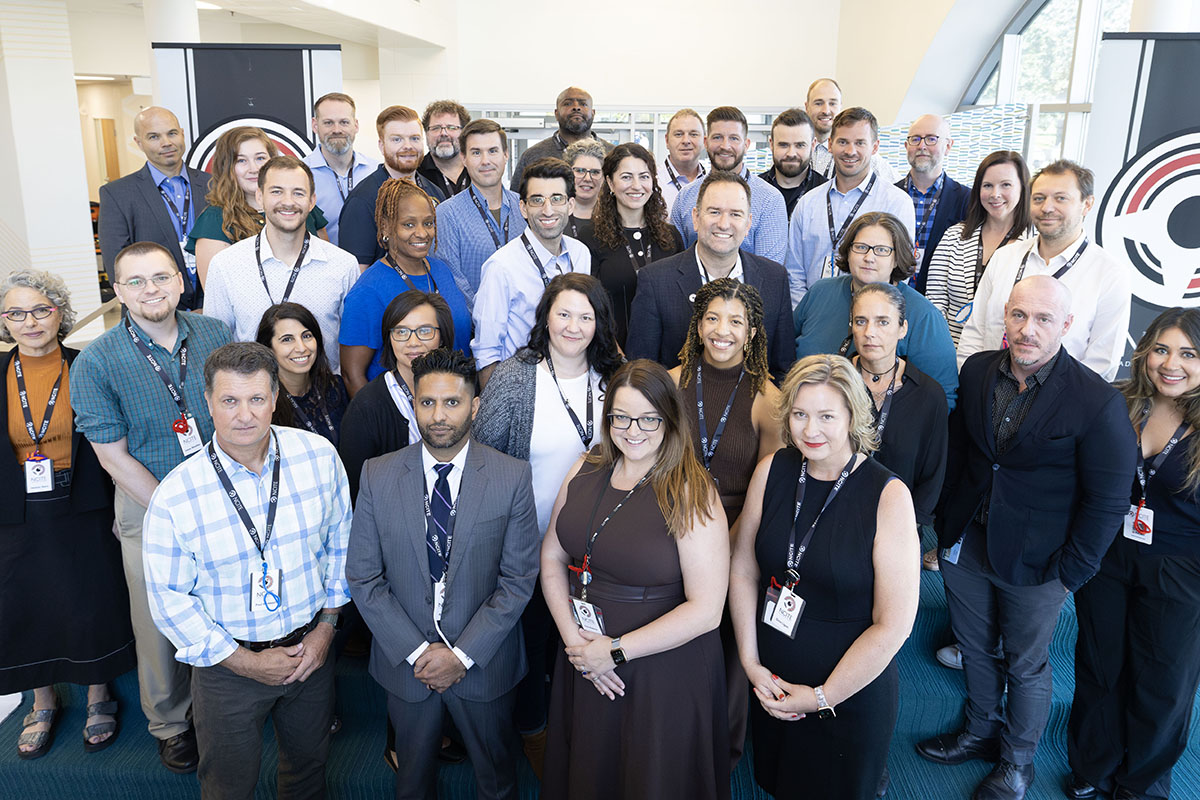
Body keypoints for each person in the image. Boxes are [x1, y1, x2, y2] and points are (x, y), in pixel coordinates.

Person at [917, 276, 1135, 800]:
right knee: (972, 646)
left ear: (1066, 325)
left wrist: (1070, 575)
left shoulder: (1097, 402)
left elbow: (1108, 502)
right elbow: (962, 454)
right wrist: (943, 526)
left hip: (1042, 562)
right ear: (1004, 318)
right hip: (966, 545)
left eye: (1042, 319)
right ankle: (978, 732)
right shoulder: (974, 372)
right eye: (1019, 316)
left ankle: (1016, 764)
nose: (1028, 330)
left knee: (1026, 663)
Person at [143, 342, 352, 799]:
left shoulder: (319, 457)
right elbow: (169, 598)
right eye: (229, 401)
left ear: (275, 398)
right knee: (227, 786)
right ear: (208, 402)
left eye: (256, 399)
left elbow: (342, 543)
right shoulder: (177, 494)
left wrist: (326, 630)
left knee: (308, 773)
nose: (244, 415)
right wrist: (244, 662)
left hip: (309, 653)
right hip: (227, 668)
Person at [347, 347, 540, 800]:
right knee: (412, 783)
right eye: (426, 402)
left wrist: (461, 656)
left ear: (475, 406)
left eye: (452, 403)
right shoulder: (377, 474)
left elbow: (517, 581)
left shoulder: (512, 477)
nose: (438, 415)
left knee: (497, 780)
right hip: (407, 664)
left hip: (484, 662)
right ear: (413, 404)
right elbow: (364, 577)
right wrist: (418, 653)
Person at [71, 241, 233, 773]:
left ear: (181, 281)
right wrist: (175, 510)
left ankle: (230, 704)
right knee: (157, 619)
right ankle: (170, 723)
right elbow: (111, 457)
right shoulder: (96, 362)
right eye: (136, 282)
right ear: (117, 292)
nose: (151, 290)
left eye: (161, 277)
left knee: (225, 602)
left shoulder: (214, 334)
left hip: (224, 492)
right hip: (148, 506)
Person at [729, 354, 919, 800]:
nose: (809, 431)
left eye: (826, 416)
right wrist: (751, 663)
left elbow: (893, 624)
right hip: (772, 683)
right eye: (799, 414)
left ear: (853, 415)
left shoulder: (888, 495)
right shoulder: (772, 469)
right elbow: (742, 568)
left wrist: (821, 697)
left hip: (847, 696)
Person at [540, 359, 731, 800]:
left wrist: (615, 652)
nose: (633, 430)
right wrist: (578, 645)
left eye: (649, 418)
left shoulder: (691, 489)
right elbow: (552, 555)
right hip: (585, 657)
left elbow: (706, 611)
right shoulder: (587, 466)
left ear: (669, 418)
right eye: (621, 417)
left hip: (658, 670)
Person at [473, 273, 623, 776]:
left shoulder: (616, 376)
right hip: (527, 541)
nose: (574, 326)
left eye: (586, 316)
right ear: (545, 318)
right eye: (564, 314)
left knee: (584, 640)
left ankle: (583, 729)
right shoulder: (519, 375)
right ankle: (534, 730)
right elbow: (484, 457)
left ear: (600, 322)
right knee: (535, 639)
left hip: (600, 546)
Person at [1, 270, 135, 759]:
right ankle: (42, 700)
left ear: (59, 313)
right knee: (26, 602)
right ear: (4, 321)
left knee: (89, 597)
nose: (29, 321)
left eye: (41, 309)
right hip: (15, 507)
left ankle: (99, 692)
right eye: (15, 313)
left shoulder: (88, 364)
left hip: (81, 499)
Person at [1067, 308, 1200, 800]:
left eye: (1188, 354)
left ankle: (1141, 784)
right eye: (1162, 349)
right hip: (1108, 556)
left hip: (1182, 570)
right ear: (1145, 351)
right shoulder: (1118, 402)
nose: (1171, 363)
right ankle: (1092, 764)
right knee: (1100, 666)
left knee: (1163, 684)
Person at [667, 278, 783, 768]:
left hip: (740, 533)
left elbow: (769, 488)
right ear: (698, 325)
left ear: (753, 332)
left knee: (730, 648)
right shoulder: (671, 383)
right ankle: (670, 736)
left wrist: (727, 548)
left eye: (736, 322)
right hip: (672, 526)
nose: (722, 331)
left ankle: (721, 752)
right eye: (712, 318)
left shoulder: (768, 398)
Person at [956, 159, 1132, 381]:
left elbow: (1102, 363)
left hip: (1059, 405)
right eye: (1039, 199)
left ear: (1087, 204)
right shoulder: (1004, 258)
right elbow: (975, 334)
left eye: (1060, 198)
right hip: (988, 394)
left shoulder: (1110, 274)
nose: (1047, 208)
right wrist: (972, 385)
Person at [626, 171, 794, 377]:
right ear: (696, 218)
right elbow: (641, 372)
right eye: (714, 212)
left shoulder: (774, 279)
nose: (724, 224)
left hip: (754, 407)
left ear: (748, 224)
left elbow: (782, 369)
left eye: (735, 214)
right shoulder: (655, 281)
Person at [203, 155, 360, 372]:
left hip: (325, 398)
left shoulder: (343, 265)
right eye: (277, 191)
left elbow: (352, 350)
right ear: (260, 197)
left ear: (312, 201)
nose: (288, 201)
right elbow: (216, 348)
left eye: (298, 193)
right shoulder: (226, 265)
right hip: (255, 399)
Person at [793, 212, 958, 409]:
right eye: (861, 247)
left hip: (888, 431)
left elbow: (942, 397)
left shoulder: (924, 315)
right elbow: (783, 356)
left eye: (881, 250)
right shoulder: (820, 292)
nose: (869, 257)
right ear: (848, 251)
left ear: (897, 258)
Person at [339, 178, 472, 396]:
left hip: (454, 401)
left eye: (428, 223)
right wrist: (386, 423)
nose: (422, 233)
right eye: (409, 224)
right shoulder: (368, 291)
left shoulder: (440, 270)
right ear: (385, 226)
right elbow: (352, 375)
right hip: (400, 414)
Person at [472, 158, 592, 385]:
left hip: (574, 380)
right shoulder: (501, 266)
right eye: (537, 200)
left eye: (557, 199)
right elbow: (487, 352)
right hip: (521, 387)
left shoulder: (581, 254)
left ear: (571, 205)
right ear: (523, 208)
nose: (548, 210)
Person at [847, 282, 948, 544]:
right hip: (835, 516)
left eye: (883, 322)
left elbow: (932, 476)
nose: (870, 332)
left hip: (898, 527)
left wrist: (905, 527)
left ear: (902, 328)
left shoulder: (928, 395)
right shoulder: (833, 383)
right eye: (861, 321)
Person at [786, 107, 915, 305]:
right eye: (843, 142)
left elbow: (900, 274)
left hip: (870, 320)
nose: (850, 151)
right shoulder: (807, 203)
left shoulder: (897, 203)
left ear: (874, 147)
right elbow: (794, 274)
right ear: (830, 144)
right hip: (814, 317)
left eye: (860, 143)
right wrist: (806, 315)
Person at [339, 291, 453, 501]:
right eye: (401, 332)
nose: (413, 342)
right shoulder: (366, 406)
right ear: (389, 339)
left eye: (425, 331)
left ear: (442, 335)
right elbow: (355, 490)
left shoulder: (461, 391)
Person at [186, 127, 329, 288]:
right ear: (226, 167)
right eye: (241, 160)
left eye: (260, 158)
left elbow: (327, 266)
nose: (254, 169)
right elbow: (217, 292)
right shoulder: (214, 221)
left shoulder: (298, 208)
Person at [98, 105, 210, 310]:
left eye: (172, 133)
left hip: (213, 308)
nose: (166, 143)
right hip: (153, 311)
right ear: (138, 143)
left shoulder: (215, 185)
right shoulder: (117, 194)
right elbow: (119, 268)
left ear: (182, 134)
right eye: (154, 137)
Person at [576, 142, 684, 347]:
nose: (636, 185)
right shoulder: (590, 237)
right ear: (610, 182)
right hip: (613, 355)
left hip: (667, 357)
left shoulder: (671, 236)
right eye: (626, 177)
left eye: (644, 176)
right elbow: (587, 306)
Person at [925, 151, 1032, 344]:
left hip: (1005, 354)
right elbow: (935, 298)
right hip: (950, 348)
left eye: (1006, 185)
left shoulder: (1034, 243)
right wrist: (942, 347)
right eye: (987, 186)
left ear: (1022, 188)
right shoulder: (954, 236)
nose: (995, 194)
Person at [668, 106, 788, 265]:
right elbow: (675, 266)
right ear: (706, 142)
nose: (725, 146)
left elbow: (767, 274)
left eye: (734, 138)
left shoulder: (769, 200)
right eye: (717, 137)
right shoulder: (685, 197)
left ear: (746, 145)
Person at [339, 105, 448, 270]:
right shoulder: (363, 200)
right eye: (397, 139)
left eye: (414, 138)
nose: (408, 146)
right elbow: (356, 272)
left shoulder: (434, 192)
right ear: (382, 146)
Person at [433, 119, 528, 305]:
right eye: (476, 153)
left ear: (506, 155)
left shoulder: (525, 208)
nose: (486, 161)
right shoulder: (446, 214)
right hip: (473, 328)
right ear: (464, 158)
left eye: (493, 151)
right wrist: (485, 318)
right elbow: (452, 282)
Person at [256, 302, 348, 446]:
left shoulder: (335, 387)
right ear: (268, 348)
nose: (301, 347)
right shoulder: (262, 403)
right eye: (287, 339)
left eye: (306, 336)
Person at [897, 115, 970, 291]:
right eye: (915, 139)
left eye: (931, 139)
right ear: (907, 146)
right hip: (891, 295)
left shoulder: (967, 200)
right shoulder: (889, 195)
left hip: (939, 301)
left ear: (948, 146)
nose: (922, 146)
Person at [303, 92, 380, 247]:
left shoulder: (375, 171)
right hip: (322, 267)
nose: (337, 130)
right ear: (315, 125)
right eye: (328, 123)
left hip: (371, 266)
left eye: (344, 122)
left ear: (356, 125)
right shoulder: (301, 174)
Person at [509, 86, 614, 191]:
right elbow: (516, 200)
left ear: (593, 113)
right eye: (567, 103)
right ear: (556, 114)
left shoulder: (612, 154)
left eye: (583, 104)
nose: (576, 107)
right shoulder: (533, 155)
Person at [806, 79, 899, 184]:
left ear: (840, 106)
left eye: (832, 103)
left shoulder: (865, 155)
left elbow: (898, 187)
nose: (826, 111)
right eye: (818, 103)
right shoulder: (797, 150)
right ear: (807, 107)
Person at [759, 108, 827, 219]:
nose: (791, 154)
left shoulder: (826, 192)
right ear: (771, 144)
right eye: (783, 145)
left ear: (813, 145)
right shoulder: (753, 190)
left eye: (800, 145)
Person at [417, 100, 472, 198]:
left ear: (464, 133)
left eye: (451, 127)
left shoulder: (478, 169)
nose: (443, 133)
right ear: (426, 134)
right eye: (436, 128)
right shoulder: (416, 173)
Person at [659, 108, 707, 212]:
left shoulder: (714, 182)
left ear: (704, 141)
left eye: (693, 134)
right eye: (678, 134)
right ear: (667, 141)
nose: (686, 141)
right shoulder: (651, 183)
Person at [563, 139, 606, 234]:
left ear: (603, 177)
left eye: (595, 172)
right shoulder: (555, 213)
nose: (587, 178)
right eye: (580, 171)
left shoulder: (614, 215)